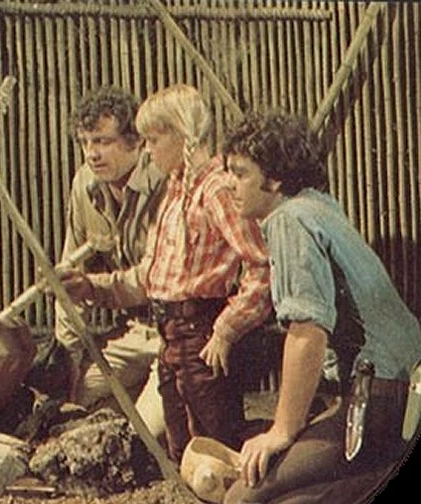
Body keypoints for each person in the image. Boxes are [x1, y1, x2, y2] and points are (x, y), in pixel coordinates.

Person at [61, 84, 272, 463]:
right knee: (181, 447)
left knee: (215, 441)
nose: (147, 150)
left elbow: (262, 264)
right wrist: (92, 287)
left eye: (153, 140)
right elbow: (151, 276)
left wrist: (227, 329)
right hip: (170, 332)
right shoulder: (177, 189)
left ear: (181, 135)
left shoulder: (216, 190)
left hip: (200, 330)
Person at [222, 111, 421, 503]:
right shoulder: (319, 206)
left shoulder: (289, 219)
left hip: (382, 395)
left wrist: (282, 430)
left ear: (274, 179)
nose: (230, 183)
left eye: (240, 173)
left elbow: (307, 333)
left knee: (244, 496)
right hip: (404, 388)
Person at [49, 86, 167, 436]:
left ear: (135, 141)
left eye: (103, 141)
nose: (92, 154)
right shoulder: (85, 185)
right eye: (85, 142)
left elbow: (155, 276)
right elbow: (69, 275)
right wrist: (69, 355)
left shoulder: (163, 181)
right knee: (74, 413)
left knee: (145, 436)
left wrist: (93, 288)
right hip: (130, 332)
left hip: (174, 332)